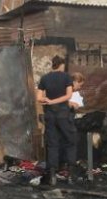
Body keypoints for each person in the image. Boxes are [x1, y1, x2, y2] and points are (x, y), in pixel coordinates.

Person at [37, 55, 77, 186]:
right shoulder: (66, 77)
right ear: (62, 65)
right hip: (64, 115)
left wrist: (48, 101)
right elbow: (69, 95)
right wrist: (55, 101)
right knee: (70, 142)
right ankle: (70, 175)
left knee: (52, 144)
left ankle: (53, 175)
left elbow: (39, 98)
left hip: (50, 116)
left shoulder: (44, 78)